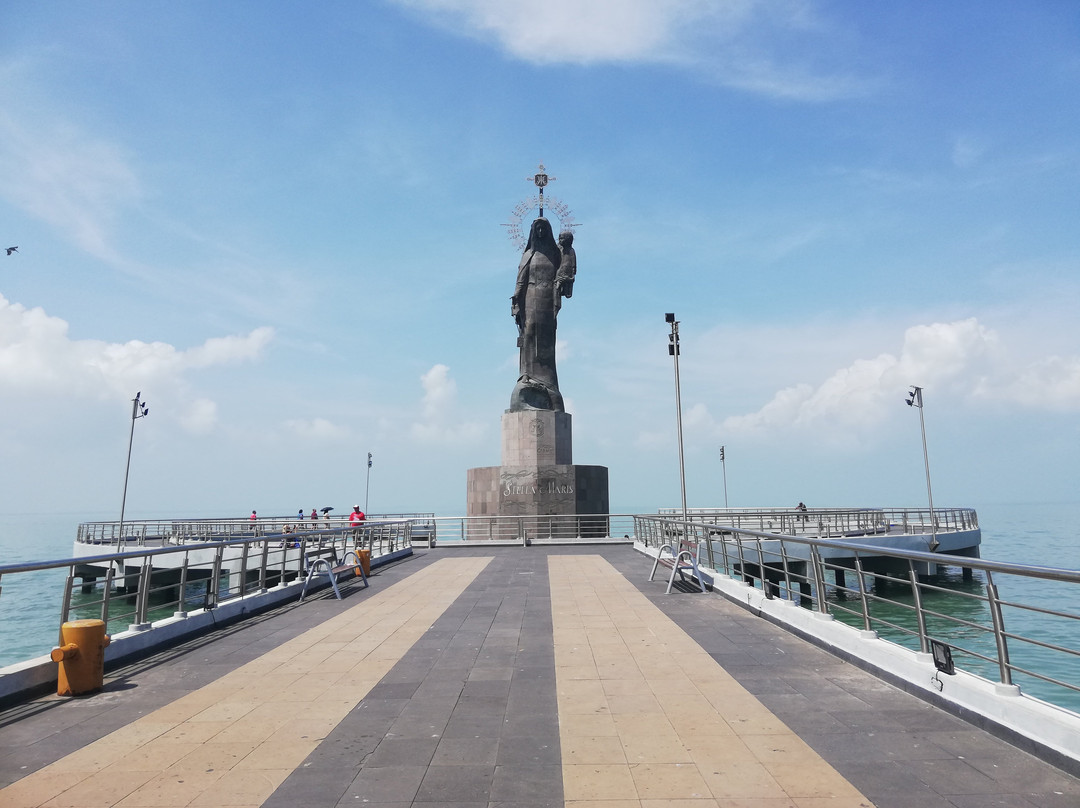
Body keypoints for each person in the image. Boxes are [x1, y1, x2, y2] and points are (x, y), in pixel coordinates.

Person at [509, 217, 570, 412]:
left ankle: (547, 383)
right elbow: (520, 280)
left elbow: (566, 271)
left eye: (544, 228)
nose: (541, 232)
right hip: (529, 298)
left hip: (546, 300)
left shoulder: (555, 253)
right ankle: (527, 375)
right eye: (538, 229)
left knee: (545, 338)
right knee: (528, 333)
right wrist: (516, 301)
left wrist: (564, 279)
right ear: (533, 232)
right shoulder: (528, 254)